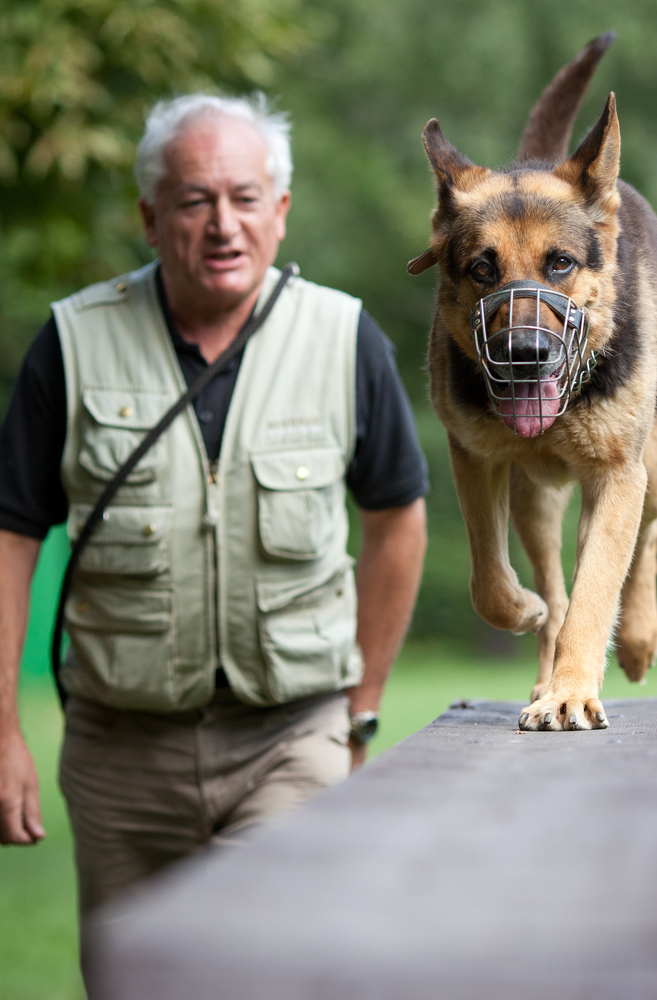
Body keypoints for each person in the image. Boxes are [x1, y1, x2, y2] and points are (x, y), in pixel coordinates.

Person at [0, 93, 428, 926]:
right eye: (195, 201)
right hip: (119, 755)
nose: (223, 225)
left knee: (262, 971)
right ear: (151, 218)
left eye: (244, 199)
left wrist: (362, 704)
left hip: (291, 742)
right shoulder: (71, 344)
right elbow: (12, 534)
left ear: (281, 211)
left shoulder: (346, 340)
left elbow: (397, 518)